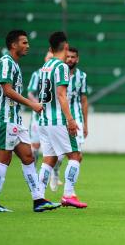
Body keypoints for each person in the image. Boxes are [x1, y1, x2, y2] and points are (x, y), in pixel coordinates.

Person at [0, 30, 58, 212]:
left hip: (15, 121)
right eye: (24, 43)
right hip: (4, 118)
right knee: (4, 159)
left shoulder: (15, 65)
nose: (28, 46)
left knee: (27, 156)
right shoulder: (5, 62)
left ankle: (38, 200)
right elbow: (7, 90)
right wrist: (32, 104)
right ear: (13, 45)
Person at [38, 31, 87, 208]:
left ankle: (39, 197)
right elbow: (61, 95)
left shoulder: (45, 67)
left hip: (44, 120)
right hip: (58, 120)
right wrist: (70, 120)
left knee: (49, 159)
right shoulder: (62, 67)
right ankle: (68, 195)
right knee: (75, 155)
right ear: (65, 47)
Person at [50, 47, 88, 192]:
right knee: (59, 155)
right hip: (60, 118)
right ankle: (55, 172)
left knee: (77, 155)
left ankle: (69, 188)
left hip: (76, 119)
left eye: (73, 57)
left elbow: (84, 100)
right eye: (68, 56)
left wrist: (85, 124)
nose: (70, 59)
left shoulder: (82, 76)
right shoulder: (58, 72)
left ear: (77, 59)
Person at [27, 51, 54, 166]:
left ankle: (54, 173)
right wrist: (37, 105)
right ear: (45, 59)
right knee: (35, 146)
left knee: (54, 148)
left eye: (52, 59)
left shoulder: (58, 74)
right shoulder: (37, 74)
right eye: (48, 58)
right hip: (38, 117)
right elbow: (30, 94)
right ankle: (33, 172)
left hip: (53, 117)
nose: (50, 61)